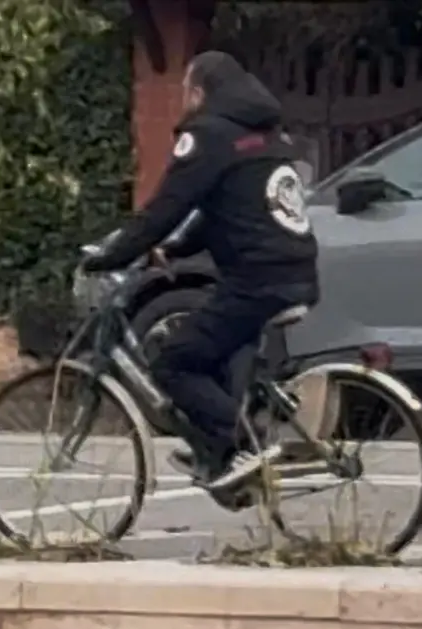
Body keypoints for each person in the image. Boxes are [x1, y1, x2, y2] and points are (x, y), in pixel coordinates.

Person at [82, 50, 319, 490]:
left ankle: (241, 446)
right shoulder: (267, 136)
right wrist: (175, 249)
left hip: (255, 280)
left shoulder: (209, 134)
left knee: (173, 363)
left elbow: (166, 207)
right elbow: (228, 212)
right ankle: (219, 446)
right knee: (215, 351)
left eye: (185, 92)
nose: (183, 104)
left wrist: (111, 255)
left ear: (198, 91)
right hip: (297, 271)